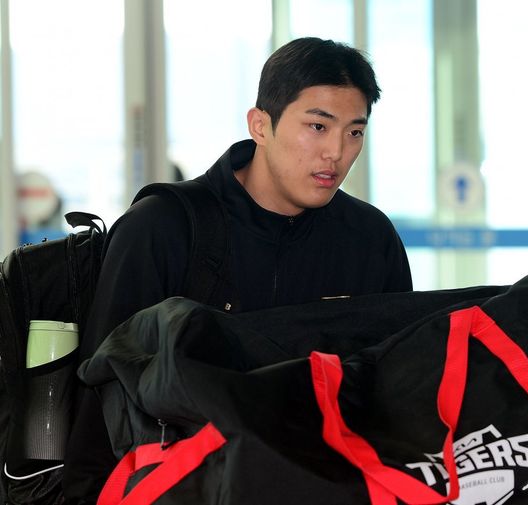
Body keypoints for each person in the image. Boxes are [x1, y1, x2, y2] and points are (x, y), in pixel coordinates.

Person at [63, 36, 412, 503]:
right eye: (317, 126)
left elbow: (396, 400)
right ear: (260, 125)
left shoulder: (370, 240)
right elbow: (99, 401)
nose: (336, 152)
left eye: (354, 133)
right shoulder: (163, 227)